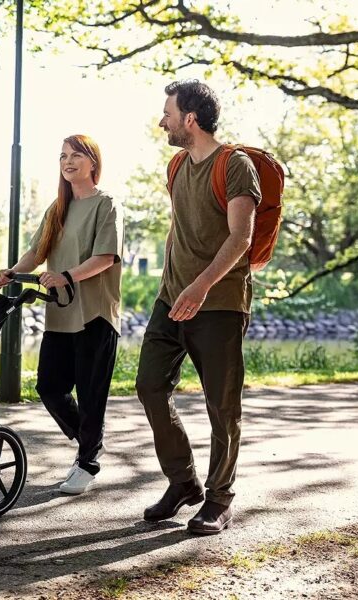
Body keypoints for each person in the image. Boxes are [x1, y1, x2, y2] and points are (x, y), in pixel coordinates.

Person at [136, 80, 261, 534]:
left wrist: (201, 287)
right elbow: (179, 229)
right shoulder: (175, 165)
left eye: (167, 112)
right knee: (150, 386)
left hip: (220, 304)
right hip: (171, 299)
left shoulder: (235, 165)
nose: (161, 120)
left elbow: (241, 237)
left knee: (222, 407)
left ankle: (219, 499)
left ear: (190, 118)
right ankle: (183, 482)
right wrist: (172, 283)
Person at [0, 134, 123, 495]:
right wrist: (11, 271)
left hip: (95, 314)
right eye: (63, 156)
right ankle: (89, 438)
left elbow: (106, 257)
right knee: (49, 388)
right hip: (60, 315)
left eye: (76, 155)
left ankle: (87, 461)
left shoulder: (106, 204)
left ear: (93, 162)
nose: (68, 161)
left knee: (90, 393)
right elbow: (37, 252)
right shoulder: (58, 207)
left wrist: (66, 275)